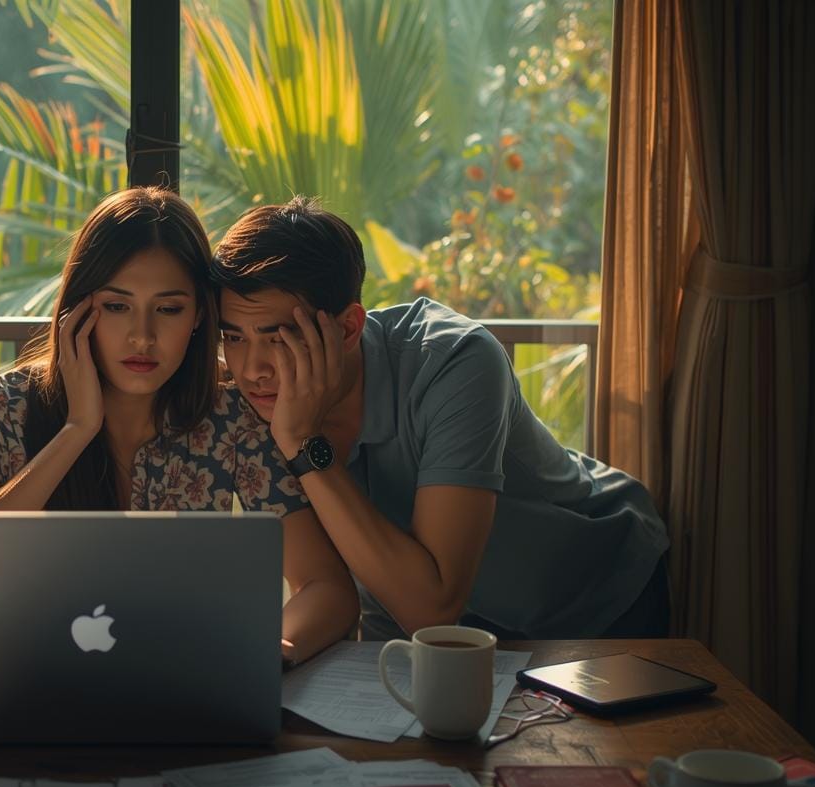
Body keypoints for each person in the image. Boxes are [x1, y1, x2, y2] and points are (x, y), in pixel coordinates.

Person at [0, 188, 358, 661]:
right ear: (79, 311)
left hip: (176, 699)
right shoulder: (4, 409)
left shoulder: (230, 417)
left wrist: (271, 654)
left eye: (168, 308)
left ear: (200, 318)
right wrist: (75, 432)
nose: (141, 337)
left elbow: (328, 589)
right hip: (15, 692)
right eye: (117, 307)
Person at [210, 196, 671, 641]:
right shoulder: (253, 401)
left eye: (277, 338)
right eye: (234, 337)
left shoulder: (456, 362)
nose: (252, 370)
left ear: (347, 328)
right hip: (432, 636)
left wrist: (303, 441)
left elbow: (431, 607)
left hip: (592, 604)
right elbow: (333, 587)